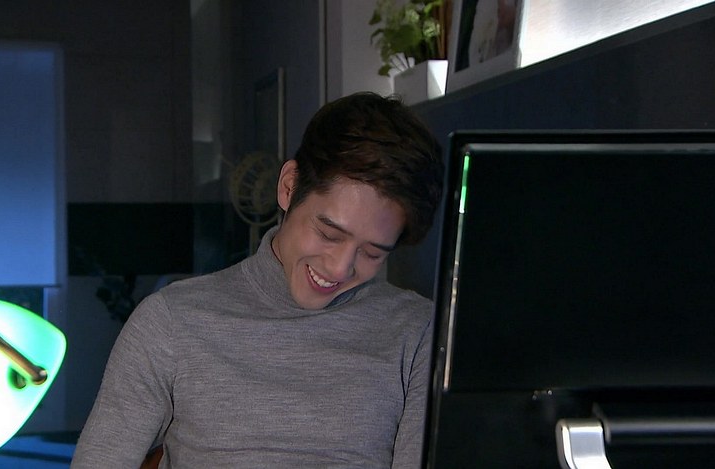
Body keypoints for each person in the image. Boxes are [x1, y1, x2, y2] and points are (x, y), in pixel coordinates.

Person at [70, 91, 445, 468]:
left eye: (372, 253)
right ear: (288, 187)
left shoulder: (419, 334)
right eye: (329, 234)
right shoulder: (171, 321)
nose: (340, 269)